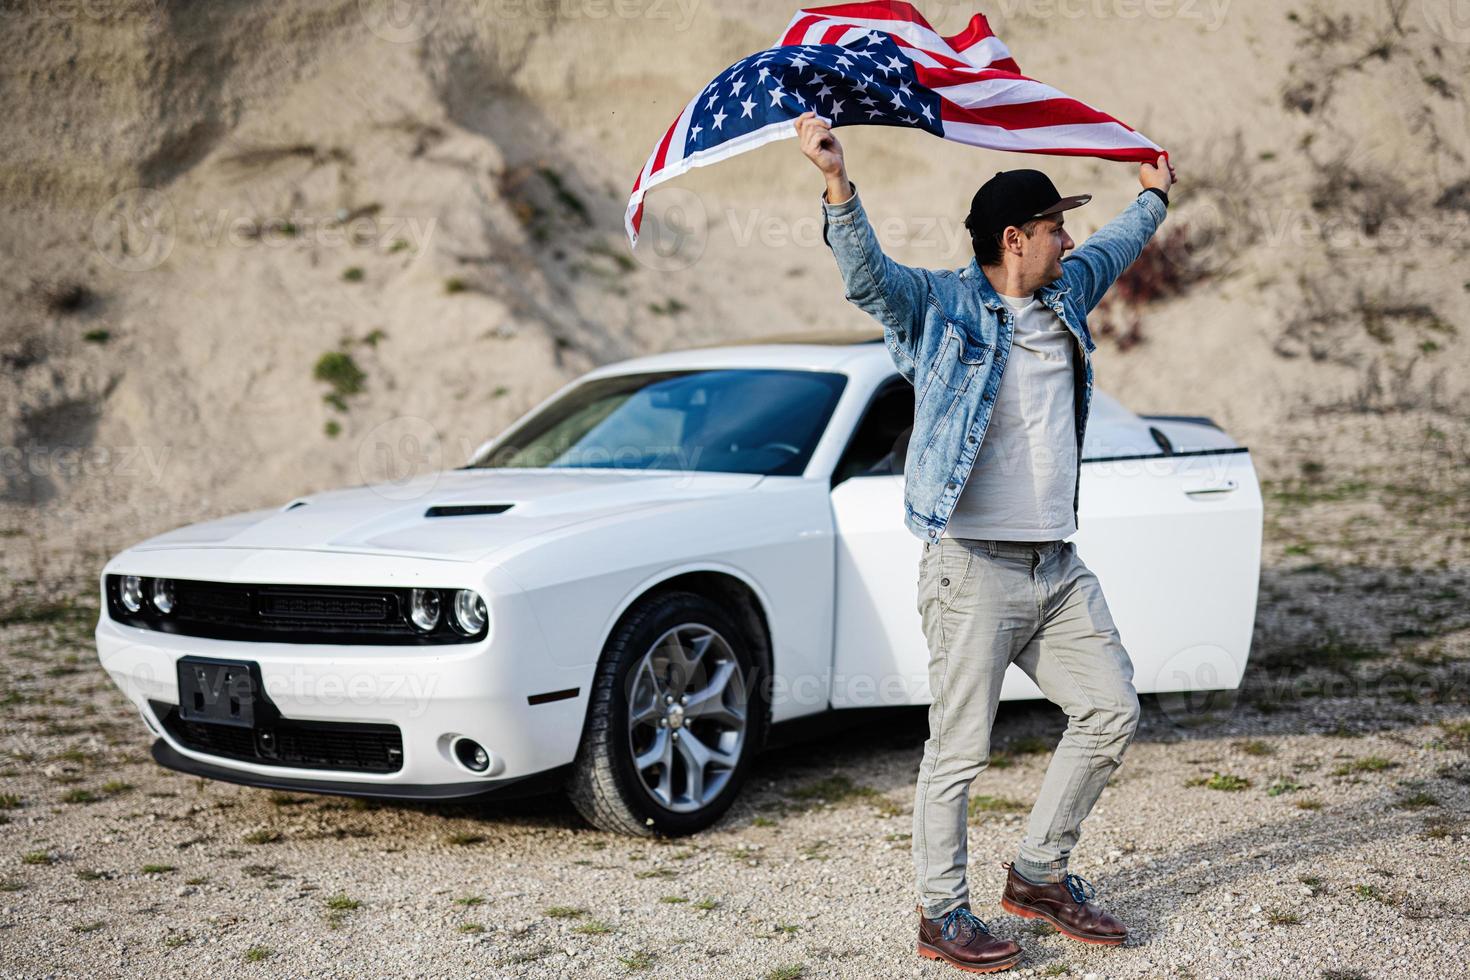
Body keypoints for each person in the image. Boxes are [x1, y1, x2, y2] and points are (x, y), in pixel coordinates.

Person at [795, 110, 1175, 975]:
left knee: (1112, 709)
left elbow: (1112, 249)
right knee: (960, 751)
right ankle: (941, 912)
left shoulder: (1064, 293)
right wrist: (836, 181)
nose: (1067, 239)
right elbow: (866, 277)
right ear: (1015, 238)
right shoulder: (940, 307)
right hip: (971, 569)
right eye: (1053, 228)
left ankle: (1038, 874)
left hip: (1056, 567)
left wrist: (1150, 199)